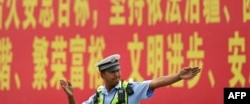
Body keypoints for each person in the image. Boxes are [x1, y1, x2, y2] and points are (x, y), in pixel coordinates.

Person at [60, 54, 201, 104]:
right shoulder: (98, 97)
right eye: (112, 72)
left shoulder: (130, 89)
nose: (117, 74)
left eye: (118, 70)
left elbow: (156, 82)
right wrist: (71, 98)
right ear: (102, 75)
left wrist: (178, 76)